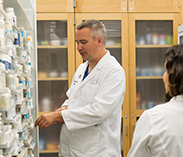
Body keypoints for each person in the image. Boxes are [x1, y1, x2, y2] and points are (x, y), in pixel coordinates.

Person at [34, 19, 126, 157]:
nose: (78, 48)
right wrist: (65, 107)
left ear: (99, 41)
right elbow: (72, 96)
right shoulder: (82, 68)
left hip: (96, 151)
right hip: (71, 148)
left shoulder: (114, 71)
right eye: (77, 43)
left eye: (83, 42)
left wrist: (59, 116)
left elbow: (99, 111)